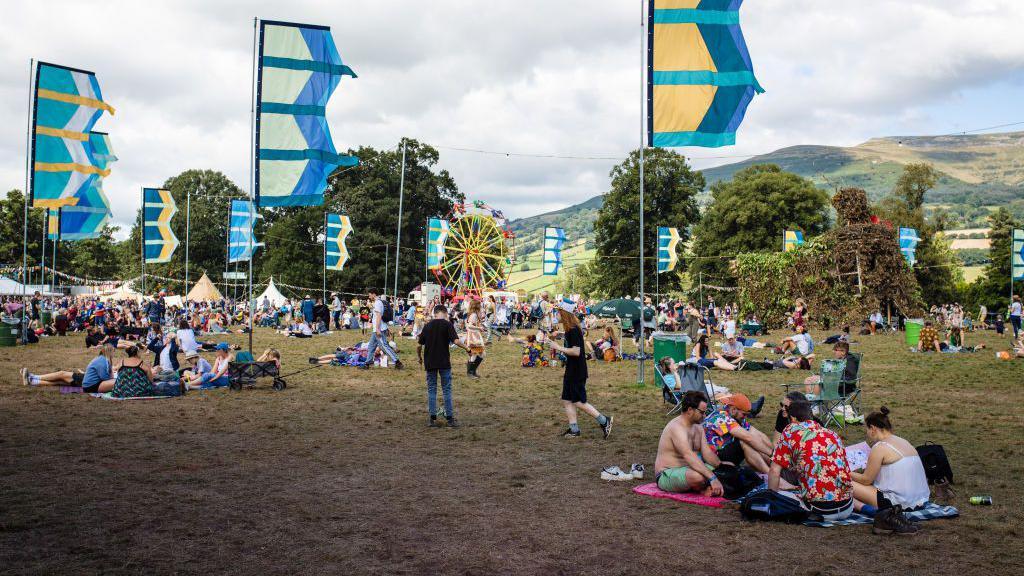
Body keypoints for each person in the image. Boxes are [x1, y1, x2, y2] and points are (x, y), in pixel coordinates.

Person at [769, 400, 854, 521]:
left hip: (819, 511)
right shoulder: (832, 434)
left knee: (780, 495)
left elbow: (774, 470)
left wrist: (771, 498)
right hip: (847, 507)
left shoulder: (790, 430)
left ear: (792, 418)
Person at [850, 407, 927, 535]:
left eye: (867, 429)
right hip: (919, 499)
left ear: (873, 428)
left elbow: (866, 480)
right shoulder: (903, 441)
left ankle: (870, 510)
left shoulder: (880, 447)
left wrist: (847, 472)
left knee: (844, 482)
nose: (867, 433)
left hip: (897, 501)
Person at [548, 298, 613, 439]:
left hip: (577, 370)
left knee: (577, 400)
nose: (556, 315)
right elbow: (571, 339)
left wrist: (557, 347)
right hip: (572, 369)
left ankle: (604, 421)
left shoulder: (574, 330)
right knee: (567, 398)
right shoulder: (570, 329)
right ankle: (574, 430)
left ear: (564, 314)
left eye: (558, 312)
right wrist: (559, 335)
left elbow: (576, 351)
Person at [654, 390, 724, 495]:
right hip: (667, 473)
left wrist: (724, 467)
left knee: (725, 469)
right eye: (702, 412)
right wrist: (713, 478)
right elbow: (688, 455)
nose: (704, 416)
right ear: (690, 410)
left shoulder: (698, 427)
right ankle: (703, 489)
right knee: (698, 477)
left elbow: (707, 454)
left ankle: (706, 487)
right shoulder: (676, 427)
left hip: (690, 469)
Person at [417, 304, 470, 428]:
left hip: (430, 362)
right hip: (444, 363)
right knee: (446, 390)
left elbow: (419, 345)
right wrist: (467, 348)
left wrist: (419, 357)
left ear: (434, 313)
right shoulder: (448, 325)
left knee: (431, 390)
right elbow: (456, 341)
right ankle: (450, 419)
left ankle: (432, 419)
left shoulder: (427, 326)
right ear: (445, 313)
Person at [702, 393, 775, 474]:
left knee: (755, 440)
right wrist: (772, 454)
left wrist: (775, 453)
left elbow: (758, 434)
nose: (745, 417)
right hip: (713, 458)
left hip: (723, 451)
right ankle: (771, 473)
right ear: (733, 409)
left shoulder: (734, 415)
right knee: (746, 442)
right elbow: (748, 438)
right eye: (744, 414)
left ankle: (776, 468)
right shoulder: (721, 417)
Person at [21, 343, 116, 393]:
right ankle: (32, 379)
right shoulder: (104, 362)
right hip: (87, 380)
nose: (114, 354)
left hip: (86, 379)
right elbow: (106, 378)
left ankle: (32, 378)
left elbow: (104, 377)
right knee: (60, 378)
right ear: (109, 352)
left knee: (61, 376)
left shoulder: (101, 359)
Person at [363, 290, 402, 369]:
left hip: (379, 329)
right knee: (371, 346)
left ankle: (397, 362)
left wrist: (377, 329)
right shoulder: (379, 302)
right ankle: (368, 362)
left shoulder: (377, 303)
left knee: (384, 346)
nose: (369, 296)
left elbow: (379, 316)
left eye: (370, 294)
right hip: (378, 328)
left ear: (374, 294)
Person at [464, 298, 486, 378]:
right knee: (475, 355)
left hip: (475, 336)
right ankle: (470, 372)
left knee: (481, 354)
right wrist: (479, 328)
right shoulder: (473, 315)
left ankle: (472, 371)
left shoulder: (475, 314)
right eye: (479, 305)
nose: (481, 306)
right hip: (473, 337)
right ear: (476, 306)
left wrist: (480, 327)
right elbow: (469, 326)